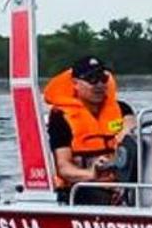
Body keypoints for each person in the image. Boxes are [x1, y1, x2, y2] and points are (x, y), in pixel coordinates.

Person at [44, 55, 135, 206]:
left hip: (123, 183)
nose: (99, 85)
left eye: (103, 78)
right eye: (92, 79)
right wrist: (90, 174)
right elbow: (63, 167)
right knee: (100, 199)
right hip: (83, 187)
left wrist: (127, 133)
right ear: (76, 84)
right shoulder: (60, 118)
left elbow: (131, 126)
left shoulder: (122, 109)